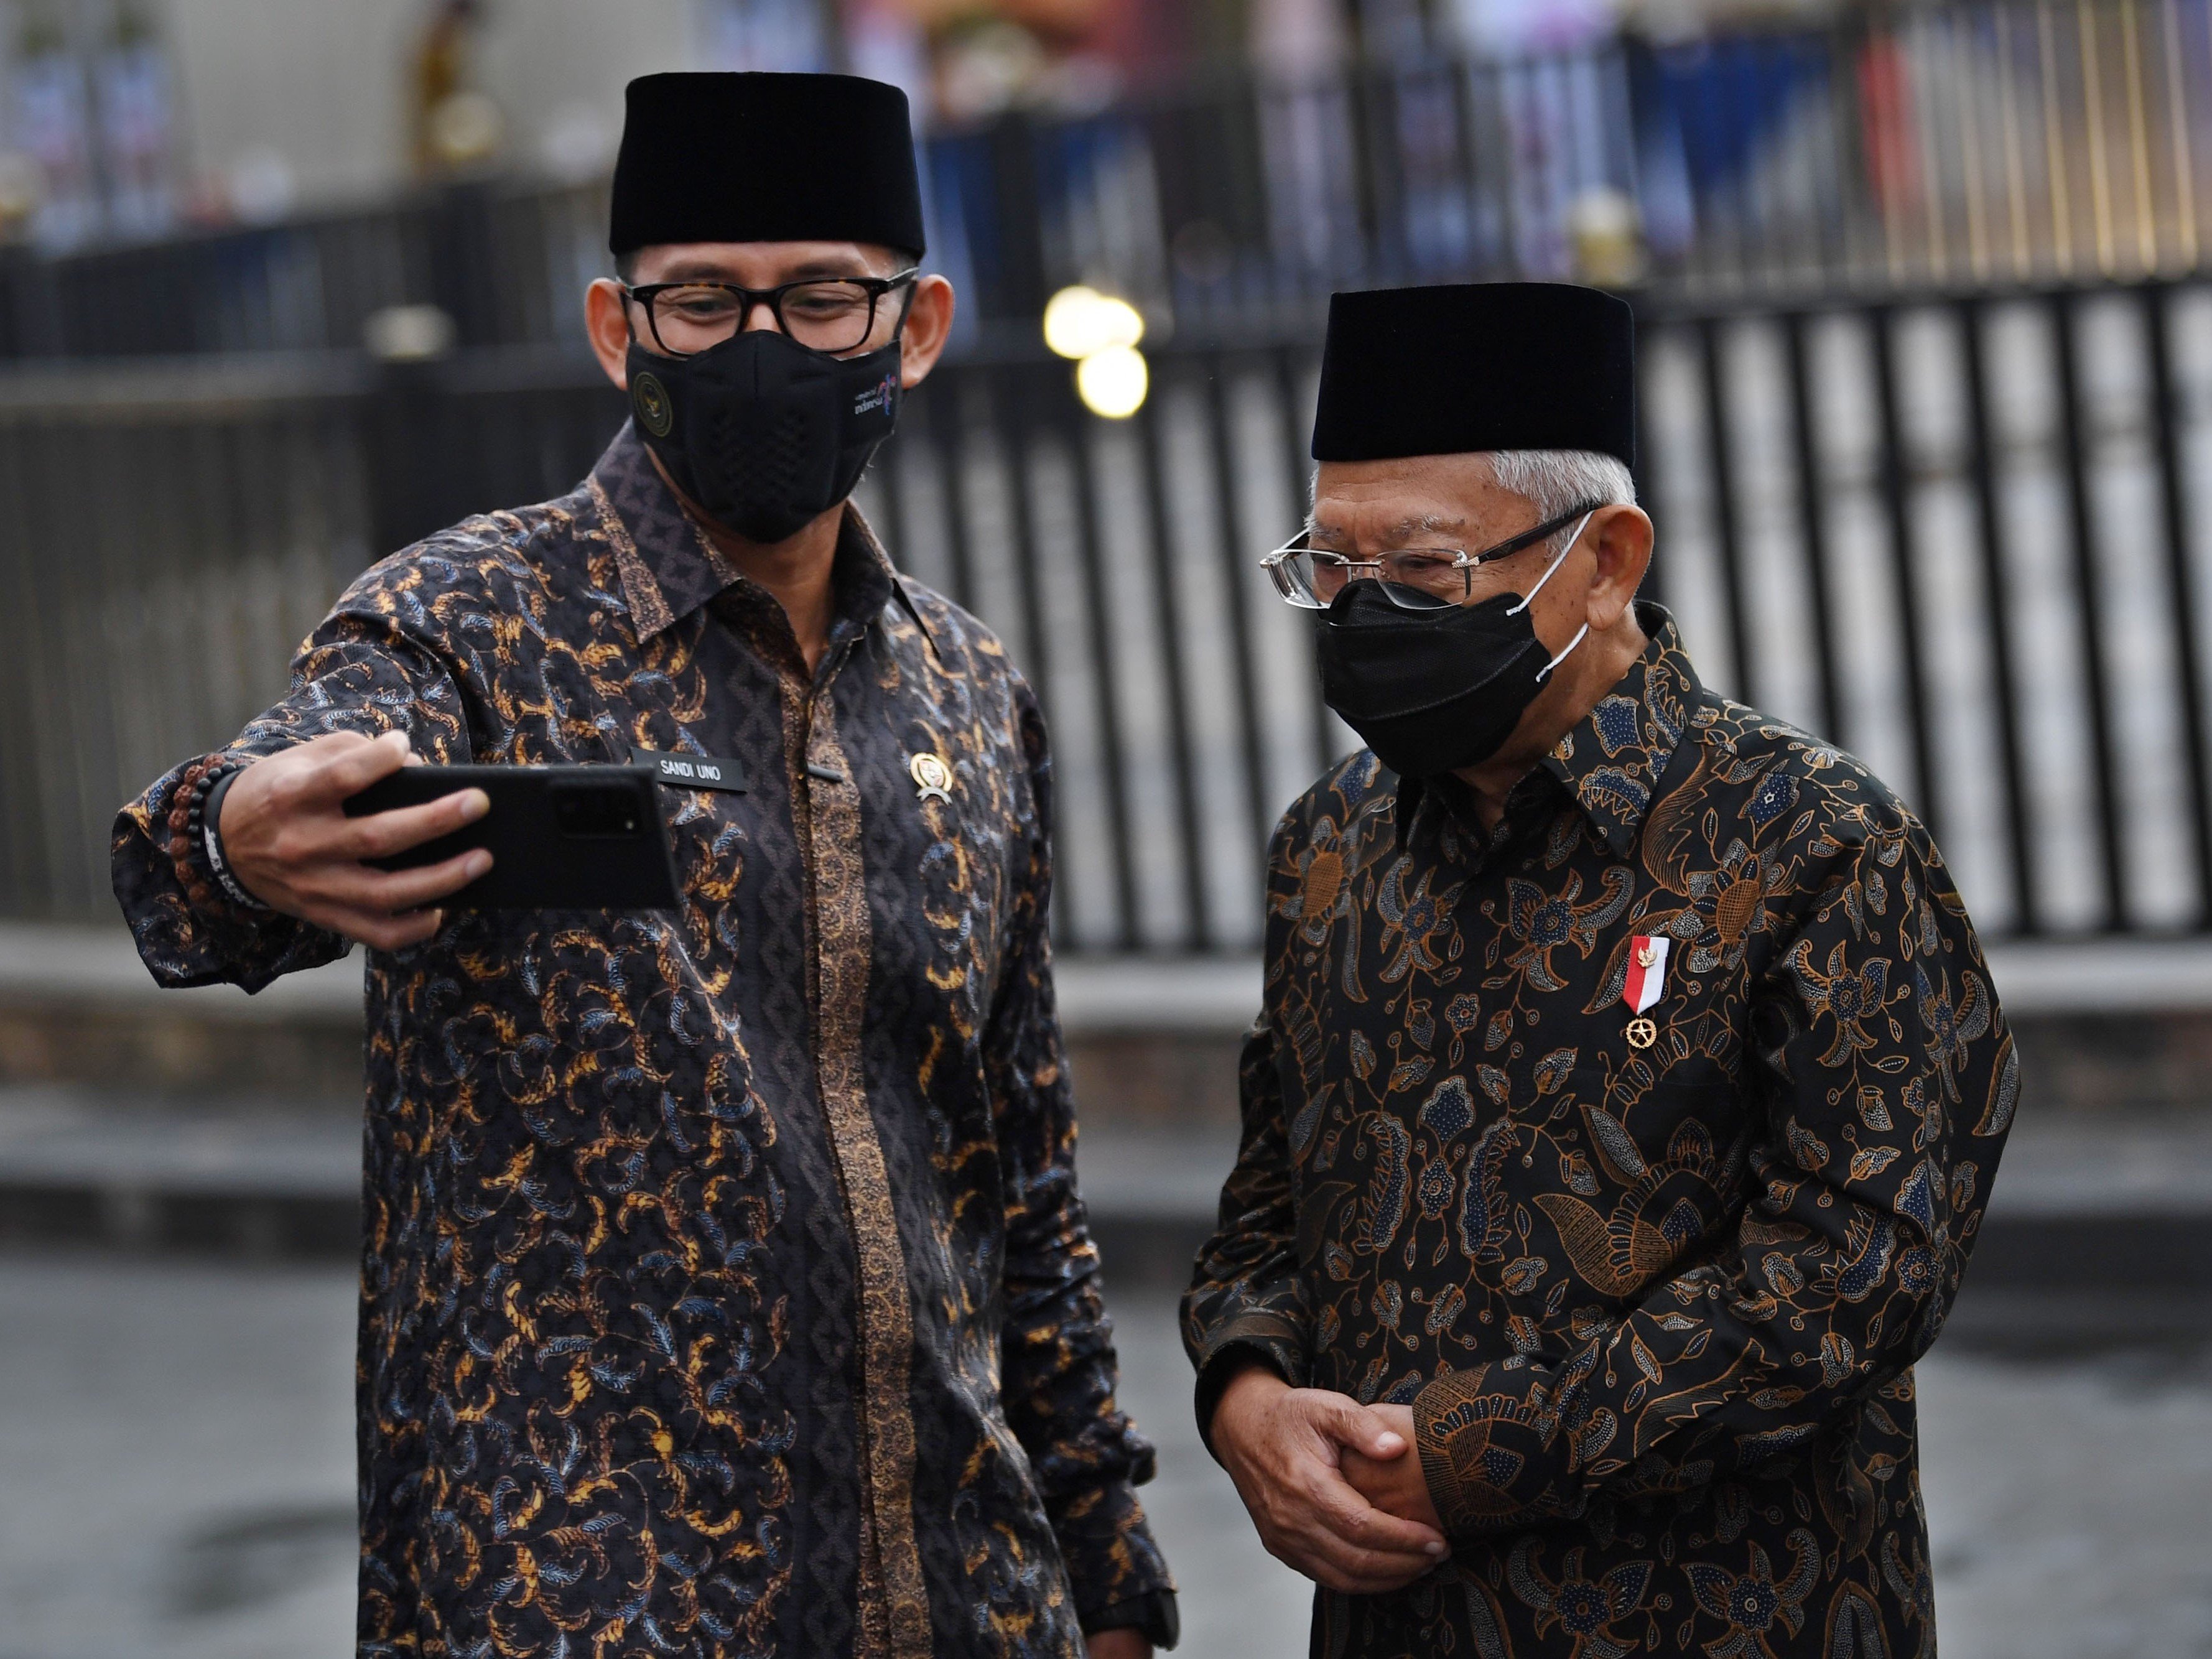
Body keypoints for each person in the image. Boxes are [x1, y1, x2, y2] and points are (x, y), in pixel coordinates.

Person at [113, 71, 1175, 1659]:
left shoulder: (965, 684)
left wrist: (1097, 1553)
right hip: (584, 1599)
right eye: (702, 302)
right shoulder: (462, 621)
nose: (763, 347)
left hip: (955, 1590)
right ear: (618, 330)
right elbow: (250, 826)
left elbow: (1019, 1156)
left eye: (821, 298)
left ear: (918, 323)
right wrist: (230, 833)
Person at [1183, 281, 2014, 1656]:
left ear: (1606, 558)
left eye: (1424, 570)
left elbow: (1858, 1264)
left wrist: (1476, 1448)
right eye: (1328, 568)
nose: (1362, 613)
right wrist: (1245, 1390)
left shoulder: (1807, 841)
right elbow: (1272, 1186)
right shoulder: (1329, 847)